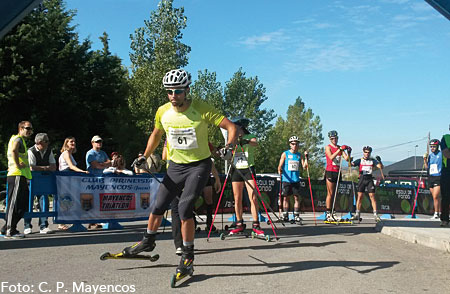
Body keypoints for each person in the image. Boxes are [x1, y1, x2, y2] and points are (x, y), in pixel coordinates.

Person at [121, 69, 237, 279]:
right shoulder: (163, 111)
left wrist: (228, 146)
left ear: (187, 90)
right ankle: (148, 241)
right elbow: (156, 135)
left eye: (178, 91)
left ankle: (188, 256)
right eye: (169, 91)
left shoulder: (200, 108)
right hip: (175, 166)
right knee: (158, 205)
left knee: (184, 207)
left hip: (198, 166)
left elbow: (231, 127)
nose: (173, 95)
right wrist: (144, 155)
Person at [228, 118, 264, 236]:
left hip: (248, 168)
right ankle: (239, 223)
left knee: (253, 197)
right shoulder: (232, 138)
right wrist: (224, 152)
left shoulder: (250, 136)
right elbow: (228, 151)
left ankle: (256, 224)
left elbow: (255, 143)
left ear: (241, 127)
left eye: (236, 127)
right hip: (237, 169)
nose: (234, 129)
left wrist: (245, 142)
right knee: (237, 198)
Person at [1, 121, 33, 239]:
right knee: (14, 204)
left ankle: (7, 227)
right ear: (20, 128)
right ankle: (10, 230)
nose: (29, 131)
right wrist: (17, 164)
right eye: (27, 128)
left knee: (23, 204)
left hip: (22, 175)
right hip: (17, 174)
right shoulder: (18, 139)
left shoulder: (21, 140)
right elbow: (14, 150)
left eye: (30, 129)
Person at [24, 133, 56, 235]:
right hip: (30, 180)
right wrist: (46, 168)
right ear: (39, 142)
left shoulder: (49, 150)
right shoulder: (31, 151)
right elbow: (31, 167)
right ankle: (27, 226)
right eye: (46, 141)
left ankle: (44, 225)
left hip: (43, 181)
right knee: (28, 202)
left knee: (44, 200)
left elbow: (54, 166)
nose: (48, 143)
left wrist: (41, 168)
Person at [58, 136, 88, 231]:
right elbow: (71, 166)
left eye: (74, 142)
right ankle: (61, 222)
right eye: (71, 142)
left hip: (69, 177)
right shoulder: (66, 153)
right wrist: (82, 172)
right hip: (65, 177)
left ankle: (66, 221)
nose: (73, 143)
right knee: (65, 199)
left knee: (69, 200)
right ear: (66, 143)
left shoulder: (70, 154)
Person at [277, 135, 307, 223]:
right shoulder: (285, 154)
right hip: (287, 179)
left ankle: (296, 215)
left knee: (296, 198)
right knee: (285, 198)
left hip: (296, 180)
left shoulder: (299, 155)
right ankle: (285, 214)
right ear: (290, 145)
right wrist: (280, 170)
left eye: (296, 144)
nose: (295, 146)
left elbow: (305, 167)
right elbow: (279, 166)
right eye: (293, 144)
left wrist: (306, 158)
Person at [351, 146, 384, 222]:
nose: (367, 154)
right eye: (365, 152)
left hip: (369, 179)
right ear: (363, 152)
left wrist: (380, 161)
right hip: (362, 179)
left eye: (368, 152)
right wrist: (350, 160)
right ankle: (357, 214)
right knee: (360, 196)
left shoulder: (373, 161)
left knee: (372, 196)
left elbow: (381, 167)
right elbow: (352, 164)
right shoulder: (360, 160)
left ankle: (375, 214)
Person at [324, 130, 350, 221]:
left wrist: (348, 151)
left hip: (337, 172)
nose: (334, 140)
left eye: (335, 138)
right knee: (330, 193)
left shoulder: (340, 148)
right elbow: (331, 157)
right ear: (330, 139)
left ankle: (333, 212)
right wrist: (339, 150)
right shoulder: (328, 147)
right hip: (330, 171)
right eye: (332, 139)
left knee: (335, 193)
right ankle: (328, 213)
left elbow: (347, 159)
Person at [424, 139, 442, 219]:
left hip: (438, 176)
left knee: (436, 196)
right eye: (431, 147)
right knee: (436, 197)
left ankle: (436, 213)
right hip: (431, 177)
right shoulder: (430, 156)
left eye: (434, 146)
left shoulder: (441, 154)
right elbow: (427, 167)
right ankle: (439, 212)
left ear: (437, 147)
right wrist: (425, 160)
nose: (432, 148)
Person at [439, 126, 450, 227]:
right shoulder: (445, 138)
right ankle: (445, 218)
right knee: (446, 196)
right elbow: (447, 154)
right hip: (447, 171)